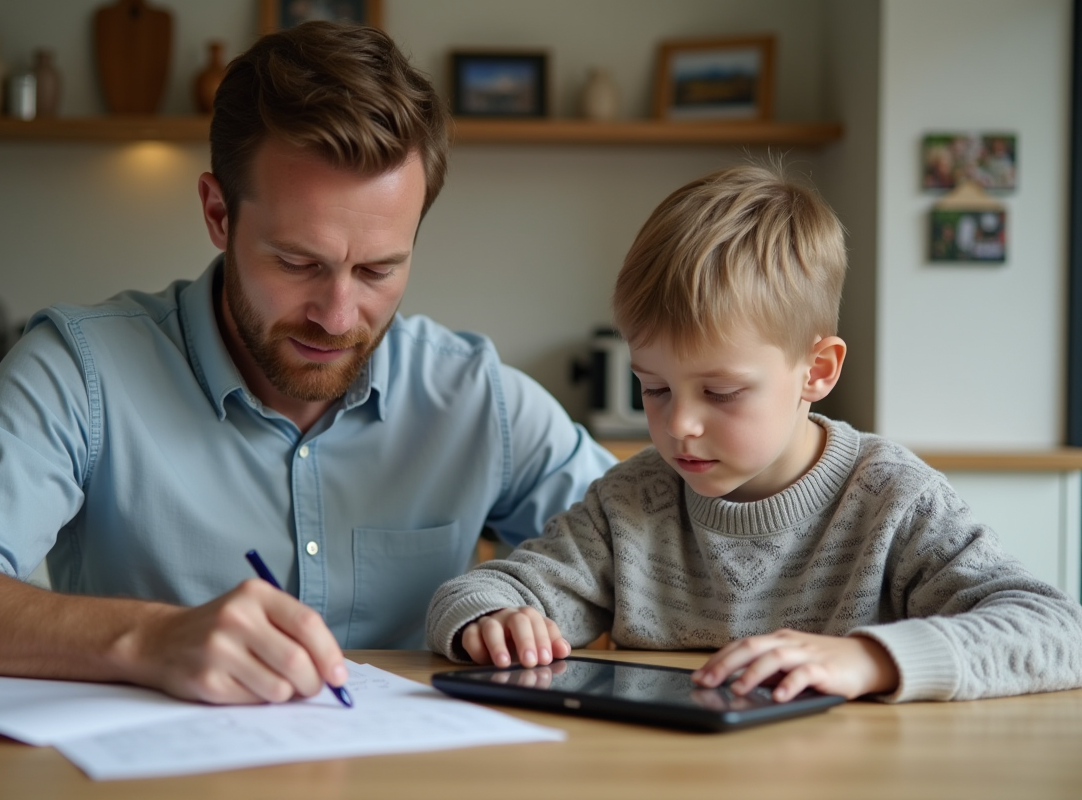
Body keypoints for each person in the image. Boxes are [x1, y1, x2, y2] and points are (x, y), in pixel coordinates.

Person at [0, 23, 615, 705]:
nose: (336, 315)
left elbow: (652, 548)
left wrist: (521, 610)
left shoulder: (474, 396)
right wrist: (147, 638)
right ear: (217, 213)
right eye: (298, 262)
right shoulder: (81, 370)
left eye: (378, 270)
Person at [426, 163, 1082, 703]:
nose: (678, 423)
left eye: (721, 392)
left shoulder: (891, 497)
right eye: (652, 388)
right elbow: (481, 590)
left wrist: (871, 660)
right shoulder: (632, 503)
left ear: (816, 372)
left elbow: (1058, 631)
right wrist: (491, 619)